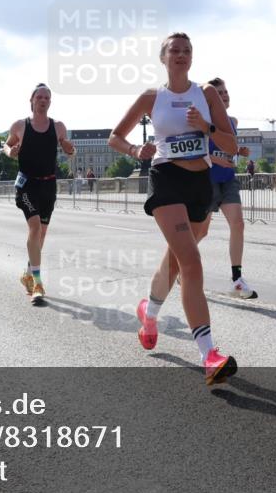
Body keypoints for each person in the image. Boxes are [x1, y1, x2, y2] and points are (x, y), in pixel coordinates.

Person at [108, 33, 238, 386]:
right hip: (166, 180)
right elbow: (114, 137)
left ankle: (148, 313)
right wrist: (136, 151)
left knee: (176, 262)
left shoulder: (207, 94)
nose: (181, 55)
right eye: (174, 51)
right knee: (192, 263)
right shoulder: (153, 97)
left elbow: (231, 143)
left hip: (200, 183)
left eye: (187, 51)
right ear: (163, 57)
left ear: (192, 58)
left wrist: (206, 127)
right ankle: (209, 354)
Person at [2, 83, 76, 305]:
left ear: (50, 102)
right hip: (26, 185)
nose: (43, 100)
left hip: (48, 185)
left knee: (41, 234)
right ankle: (37, 282)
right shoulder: (20, 126)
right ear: (32, 101)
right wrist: (11, 151)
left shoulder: (58, 127)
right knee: (34, 228)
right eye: (39, 97)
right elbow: (5, 147)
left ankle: (27, 272)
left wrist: (70, 148)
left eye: (47, 97)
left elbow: (70, 152)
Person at [194, 78, 256, 298]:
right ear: (210, 100)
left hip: (228, 179)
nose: (224, 96)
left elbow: (228, 147)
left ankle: (237, 279)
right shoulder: (203, 122)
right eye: (219, 93)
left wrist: (240, 151)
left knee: (238, 224)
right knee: (201, 231)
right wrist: (215, 160)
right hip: (207, 180)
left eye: (226, 91)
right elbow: (195, 152)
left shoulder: (233, 121)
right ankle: (178, 260)